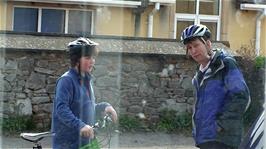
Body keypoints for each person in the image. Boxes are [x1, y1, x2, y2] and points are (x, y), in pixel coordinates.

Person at [180, 24, 251, 149]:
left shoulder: (225, 64)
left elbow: (242, 97)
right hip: (205, 140)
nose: (193, 51)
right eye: (189, 48)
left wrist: (221, 125)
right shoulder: (199, 74)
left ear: (208, 44)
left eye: (196, 45)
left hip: (223, 140)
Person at [51, 37, 118, 149]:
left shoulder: (86, 80)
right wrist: (81, 125)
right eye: (87, 58)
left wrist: (104, 107)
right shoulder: (66, 81)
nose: (92, 61)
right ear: (76, 60)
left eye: (93, 57)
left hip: (85, 142)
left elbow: (85, 108)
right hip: (68, 144)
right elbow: (61, 109)